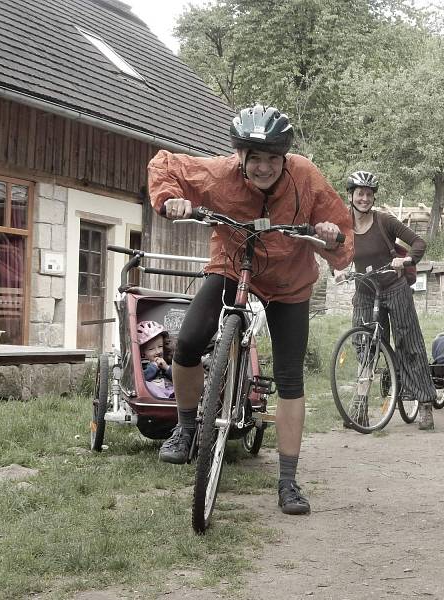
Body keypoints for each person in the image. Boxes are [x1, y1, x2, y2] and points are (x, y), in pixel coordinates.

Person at [148, 104, 353, 515]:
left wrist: (331, 236)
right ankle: (187, 430)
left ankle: (288, 481)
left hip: (290, 281)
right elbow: (165, 164)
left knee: (291, 377)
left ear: (284, 157)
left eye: (272, 159)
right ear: (239, 156)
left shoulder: (305, 177)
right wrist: (170, 199)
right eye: (253, 158)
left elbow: (342, 233)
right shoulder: (219, 174)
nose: (263, 167)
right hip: (232, 262)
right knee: (187, 344)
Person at [343, 170, 438, 430]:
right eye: (360, 193)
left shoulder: (385, 221)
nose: (364, 198)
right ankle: (359, 407)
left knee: (409, 341)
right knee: (364, 347)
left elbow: (418, 243)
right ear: (350, 195)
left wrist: (406, 260)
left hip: (393, 287)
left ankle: (425, 402)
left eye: (369, 194)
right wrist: (336, 265)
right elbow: (336, 250)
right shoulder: (343, 223)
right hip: (364, 290)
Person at [137, 320, 175, 399]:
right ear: (142, 352)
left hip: (170, 390)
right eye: (151, 349)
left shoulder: (166, 360)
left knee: (181, 381)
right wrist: (154, 367)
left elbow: (177, 378)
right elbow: (141, 380)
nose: (157, 352)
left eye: (160, 346)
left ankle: (173, 396)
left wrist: (166, 368)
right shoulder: (142, 365)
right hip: (153, 395)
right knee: (147, 384)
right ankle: (164, 398)